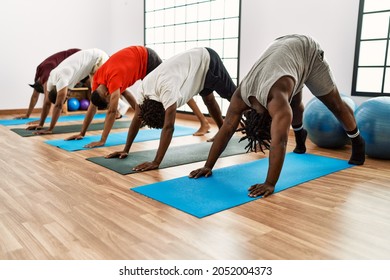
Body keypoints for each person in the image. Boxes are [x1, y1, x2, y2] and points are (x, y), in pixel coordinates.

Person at [189, 34, 366, 198]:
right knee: (295, 103)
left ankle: (358, 141)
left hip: (306, 50)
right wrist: (208, 166)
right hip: (283, 54)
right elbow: (226, 129)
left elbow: (279, 142)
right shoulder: (240, 96)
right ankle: (300, 139)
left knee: (335, 104)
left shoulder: (278, 102)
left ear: (273, 122)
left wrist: (270, 183)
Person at [105, 47, 237, 172]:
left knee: (236, 100)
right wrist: (126, 149)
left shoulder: (167, 90)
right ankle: (222, 131)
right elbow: (137, 118)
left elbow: (169, 127)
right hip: (196, 69)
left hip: (208, 62)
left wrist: (156, 162)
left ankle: (251, 129)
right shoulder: (143, 90)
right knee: (208, 99)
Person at [70, 46, 211, 148]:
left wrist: (102, 140)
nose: (112, 101)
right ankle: (141, 119)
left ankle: (204, 122)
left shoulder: (113, 80)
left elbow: (112, 111)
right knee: (124, 92)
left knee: (174, 90)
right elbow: (92, 107)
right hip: (137, 58)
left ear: (107, 94)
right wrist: (82, 133)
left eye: (109, 100)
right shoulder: (97, 81)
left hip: (148, 58)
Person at [26, 48, 109, 134]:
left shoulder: (63, 78)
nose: (68, 97)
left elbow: (58, 105)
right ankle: (85, 130)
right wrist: (41, 124)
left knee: (99, 95)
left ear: (59, 93)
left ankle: (114, 111)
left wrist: (50, 129)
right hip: (92, 63)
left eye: (65, 98)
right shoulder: (51, 79)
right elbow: (47, 103)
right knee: (94, 97)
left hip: (99, 58)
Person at [15, 48, 81, 120]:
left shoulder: (46, 76)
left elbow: (47, 101)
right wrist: (27, 115)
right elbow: (34, 97)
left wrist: (41, 121)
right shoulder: (38, 76)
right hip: (74, 57)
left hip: (77, 55)